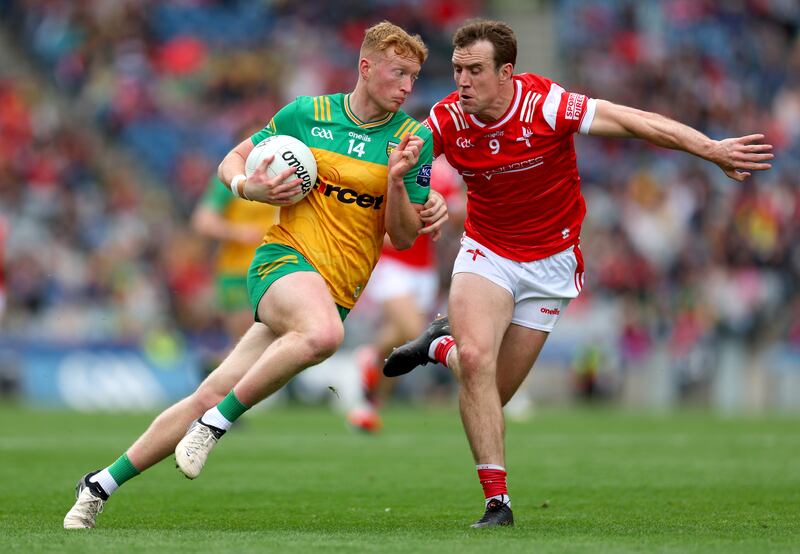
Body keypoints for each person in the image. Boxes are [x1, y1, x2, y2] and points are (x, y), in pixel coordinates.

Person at [383, 19, 773, 529]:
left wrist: (710, 149)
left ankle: (440, 345)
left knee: (490, 394)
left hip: (551, 265)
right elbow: (404, 227)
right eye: (457, 70)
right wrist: (410, 189)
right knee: (477, 364)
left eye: (475, 71)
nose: (463, 82)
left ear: (507, 73)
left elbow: (633, 121)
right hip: (487, 252)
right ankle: (497, 503)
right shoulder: (443, 122)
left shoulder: (545, 105)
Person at [63, 21, 449, 529]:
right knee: (324, 335)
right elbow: (234, 159)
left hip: (338, 288)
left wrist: (399, 184)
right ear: (366, 66)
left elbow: (401, 238)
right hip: (283, 263)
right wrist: (249, 188)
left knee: (212, 387)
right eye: (398, 73)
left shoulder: (413, 140)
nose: (406, 87)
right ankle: (216, 425)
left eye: (414, 77)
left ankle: (99, 485)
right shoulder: (306, 115)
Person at [347, 156, 465, 433]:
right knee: (414, 331)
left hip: (424, 269)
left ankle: (369, 405)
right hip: (392, 265)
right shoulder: (390, 167)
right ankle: (373, 357)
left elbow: (455, 220)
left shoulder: (445, 174)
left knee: (397, 343)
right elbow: (372, 223)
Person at [191, 174, 279, 346]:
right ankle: (216, 367)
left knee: (273, 337)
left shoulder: (286, 173)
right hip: (237, 273)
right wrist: (237, 232)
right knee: (246, 339)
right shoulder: (233, 178)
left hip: (275, 270)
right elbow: (202, 221)